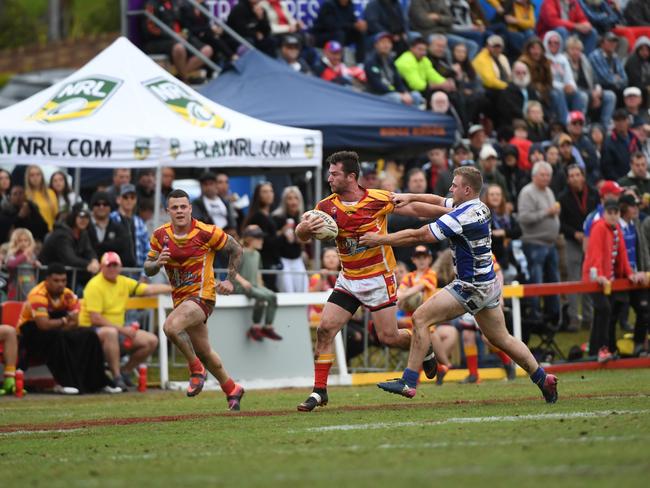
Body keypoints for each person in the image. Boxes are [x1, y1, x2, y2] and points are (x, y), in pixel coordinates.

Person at [358, 166, 558, 403]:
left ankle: (409, 380)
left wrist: (379, 240)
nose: (450, 188)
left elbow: (419, 235)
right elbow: (438, 200)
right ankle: (542, 378)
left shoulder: (461, 217)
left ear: (467, 189)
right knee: (502, 339)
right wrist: (410, 196)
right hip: (488, 283)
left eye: (454, 185)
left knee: (420, 318)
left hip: (469, 285)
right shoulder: (477, 206)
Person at [294, 151, 450, 412]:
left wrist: (450, 211)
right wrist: (304, 230)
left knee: (388, 337)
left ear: (351, 176)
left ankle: (425, 347)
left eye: (334, 173)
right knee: (325, 329)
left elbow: (414, 208)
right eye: (329, 173)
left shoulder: (378, 199)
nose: (329, 178)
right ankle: (319, 391)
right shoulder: (325, 207)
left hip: (378, 278)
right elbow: (301, 233)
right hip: (349, 279)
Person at [145, 189, 245, 409]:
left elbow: (237, 249)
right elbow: (148, 267)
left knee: (170, 327)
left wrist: (230, 281)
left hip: (202, 297)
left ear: (190, 208)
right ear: (167, 211)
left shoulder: (205, 232)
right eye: (175, 207)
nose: (180, 211)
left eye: (183, 206)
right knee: (204, 351)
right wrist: (157, 263)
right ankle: (232, 389)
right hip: (181, 300)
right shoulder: (160, 235)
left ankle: (195, 368)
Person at [17, 263, 118, 394]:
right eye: (56, 281)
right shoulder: (38, 294)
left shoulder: (68, 294)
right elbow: (43, 325)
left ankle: (98, 382)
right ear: (47, 280)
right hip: (30, 334)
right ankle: (64, 382)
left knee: (89, 336)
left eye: (63, 280)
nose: (60, 284)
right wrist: (64, 320)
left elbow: (75, 322)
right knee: (57, 337)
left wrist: (61, 323)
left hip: (58, 330)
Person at [79, 252, 170, 390]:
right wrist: (122, 329)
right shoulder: (94, 285)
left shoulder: (123, 281)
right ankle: (116, 377)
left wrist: (174, 288)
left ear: (120, 267)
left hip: (117, 330)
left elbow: (148, 289)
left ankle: (125, 372)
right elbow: (95, 318)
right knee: (111, 333)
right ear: (102, 267)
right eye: (109, 265)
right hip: (91, 332)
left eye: (115, 265)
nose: (112, 269)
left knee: (151, 340)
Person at [582, 199, 646, 362]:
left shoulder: (616, 229)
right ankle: (602, 349)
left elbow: (622, 255)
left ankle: (594, 351)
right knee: (604, 309)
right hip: (594, 277)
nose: (612, 216)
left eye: (615, 212)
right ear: (604, 213)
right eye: (609, 213)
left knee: (602, 312)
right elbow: (595, 253)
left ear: (619, 213)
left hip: (607, 279)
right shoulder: (599, 227)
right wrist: (599, 275)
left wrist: (629, 273)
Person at [517, 161, 561, 323]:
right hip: (534, 244)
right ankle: (535, 316)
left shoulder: (549, 191)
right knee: (536, 282)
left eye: (548, 175)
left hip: (550, 243)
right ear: (534, 176)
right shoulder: (527, 192)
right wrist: (547, 212)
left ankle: (553, 316)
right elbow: (524, 218)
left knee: (553, 281)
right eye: (542, 175)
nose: (546, 178)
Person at [559, 164, 599, 330]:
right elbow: (560, 223)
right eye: (572, 176)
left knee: (590, 278)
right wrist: (574, 233)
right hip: (572, 242)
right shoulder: (563, 197)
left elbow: (598, 216)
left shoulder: (594, 194)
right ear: (568, 179)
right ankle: (573, 317)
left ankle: (589, 317)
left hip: (591, 243)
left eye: (578, 175)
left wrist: (591, 235)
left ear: (583, 176)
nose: (575, 178)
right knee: (574, 280)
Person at [142, 0, 214, 80]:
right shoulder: (151, 4)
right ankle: (185, 80)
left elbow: (184, 23)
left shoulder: (175, 3)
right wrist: (173, 35)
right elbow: (150, 29)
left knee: (207, 50)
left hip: (179, 37)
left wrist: (184, 33)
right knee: (179, 48)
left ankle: (179, 78)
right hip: (159, 41)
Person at [234, 225, 282, 341]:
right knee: (262, 297)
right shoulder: (241, 253)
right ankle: (255, 328)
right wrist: (243, 282)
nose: (262, 241)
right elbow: (232, 271)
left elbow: (257, 272)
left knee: (272, 296)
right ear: (249, 239)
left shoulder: (257, 254)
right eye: (258, 238)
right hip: (241, 286)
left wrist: (261, 285)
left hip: (254, 285)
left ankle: (268, 327)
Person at [617, 194, 650, 356]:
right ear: (623, 208)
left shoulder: (634, 225)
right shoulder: (616, 226)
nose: (636, 209)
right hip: (620, 278)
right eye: (632, 206)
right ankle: (608, 347)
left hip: (637, 277)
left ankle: (638, 345)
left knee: (644, 310)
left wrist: (644, 269)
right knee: (613, 314)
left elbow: (641, 250)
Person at [565, 36, 616, 129]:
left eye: (578, 49)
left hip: (590, 91)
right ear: (567, 50)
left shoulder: (584, 60)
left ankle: (605, 125)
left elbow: (594, 79)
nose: (576, 52)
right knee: (583, 96)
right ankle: (580, 125)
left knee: (610, 96)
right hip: (574, 93)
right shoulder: (565, 62)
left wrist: (597, 89)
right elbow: (571, 85)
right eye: (573, 49)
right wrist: (592, 95)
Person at [39, 203, 100, 280]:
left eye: (87, 217)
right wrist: (88, 264)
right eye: (81, 216)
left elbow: (89, 251)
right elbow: (70, 258)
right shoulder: (61, 234)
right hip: (49, 278)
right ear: (74, 216)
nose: (84, 220)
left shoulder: (83, 233)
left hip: (65, 278)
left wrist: (94, 260)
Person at [365, 32, 423, 107]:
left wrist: (405, 92)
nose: (386, 45)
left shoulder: (390, 61)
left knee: (416, 95)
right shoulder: (371, 62)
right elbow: (377, 85)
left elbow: (398, 81)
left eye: (389, 42)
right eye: (383, 42)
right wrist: (399, 93)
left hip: (393, 93)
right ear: (376, 45)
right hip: (376, 95)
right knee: (396, 97)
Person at [243, 181, 281, 291]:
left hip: (272, 260)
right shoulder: (256, 216)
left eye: (271, 191)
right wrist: (281, 235)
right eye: (264, 192)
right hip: (262, 261)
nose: (269, 194)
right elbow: (264, 240)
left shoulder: (268, 215)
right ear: (258, 195)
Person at [271, 186, 308, 293]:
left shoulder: (303, 218)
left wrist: (300, 238)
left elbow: (309, 240)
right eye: (290, 198)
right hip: (283, 259)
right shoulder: (277, 217)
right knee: (287, 289)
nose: (293, 202)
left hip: (297, 258)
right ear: (284, 201)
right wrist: (282, 232)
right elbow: (272, 239)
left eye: (296, 198)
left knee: (302, 288)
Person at [180, 0, 235, 66]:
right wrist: (209, 29)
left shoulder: (204, 6)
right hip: (192, 35)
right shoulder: (185, 7)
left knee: (220, 35)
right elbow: (188, 28)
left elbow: (206, 24)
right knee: (213, 38)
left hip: (204, 33)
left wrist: (213, 29)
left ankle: (230, 58)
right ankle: (232, 56)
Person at [87, 191, 134, 267]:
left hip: (112, 272)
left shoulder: (118, 228)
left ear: (110, 207)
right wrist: (110, 246)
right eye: (97, 204)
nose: (101, 207)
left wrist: (99, 246)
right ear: (92, 206)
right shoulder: (86, 226)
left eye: (105, 204)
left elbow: (124, 248)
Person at [109, 184, 150, 268]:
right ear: (118, 199)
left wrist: (144, 273)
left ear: (136, 200)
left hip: (136, 271)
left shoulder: (140, 222)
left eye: (132, 197)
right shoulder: (111, 219)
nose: (129, 200)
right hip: (114, 269)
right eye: (125, 197)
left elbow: (147, 250)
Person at [602, 109, 640, 182]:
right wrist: (620, 182)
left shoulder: (634, 138)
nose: (621, 123)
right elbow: (607, 168)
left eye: (623, 119)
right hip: (619, 181)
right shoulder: (608, 142)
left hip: (637, 179)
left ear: (628, 120)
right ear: (614, 122)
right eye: (618, 120)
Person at [589, 32, 628, 99]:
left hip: (615, 87)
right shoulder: (595, 56)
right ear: (602, 43)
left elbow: (625, 79)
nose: (613, 44)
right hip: (600, 87)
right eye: (609, 41)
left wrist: (616, 79)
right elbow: (604, 79)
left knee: (630, 92)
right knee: (612, 93)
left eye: (614, 41)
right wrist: (616, 78)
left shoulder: (615, 57)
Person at [5, 228, 40, 301]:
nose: (23, 243)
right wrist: (24, 255)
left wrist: (36, 264)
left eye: (26, 240)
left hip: (29, 286)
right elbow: (10, 265)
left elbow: (35, 264)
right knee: (14, 307)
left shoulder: (32, 255)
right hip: (15, 288)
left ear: (30, 242)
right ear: (15, 242)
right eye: (20, 241)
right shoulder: (12, 254)